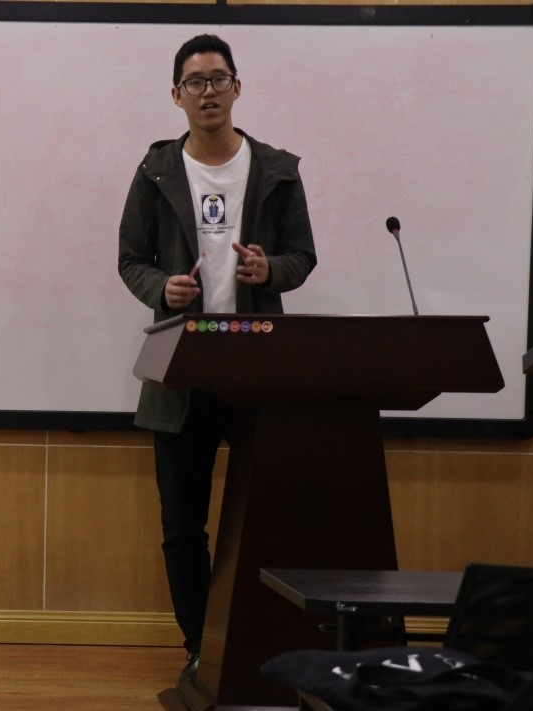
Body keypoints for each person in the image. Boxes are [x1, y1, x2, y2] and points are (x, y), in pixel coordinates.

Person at [116, 34, 317, 682]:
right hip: (183, 369)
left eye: (218, 79)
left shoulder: (277, 169)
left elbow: (302, 255)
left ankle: (265, 646)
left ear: (237, 88)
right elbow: (131, 260)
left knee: (265, 520)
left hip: (257, 368)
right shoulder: (155, 171)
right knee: (183, 527)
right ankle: (201, 648)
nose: (208, 91)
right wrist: (162, 288)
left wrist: (271, 269)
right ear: (176, 95)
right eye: (195, 82)